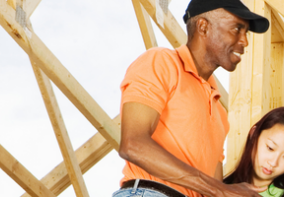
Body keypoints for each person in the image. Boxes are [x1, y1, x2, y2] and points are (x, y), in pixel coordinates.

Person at [114, 0, 270, 196]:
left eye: (246, 32)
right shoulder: (161, 62)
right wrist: (219, 189)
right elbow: (133, 145)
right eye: (237, 29)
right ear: (203, 27)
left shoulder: (220, 114)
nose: (245, 41)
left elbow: (213, 190)